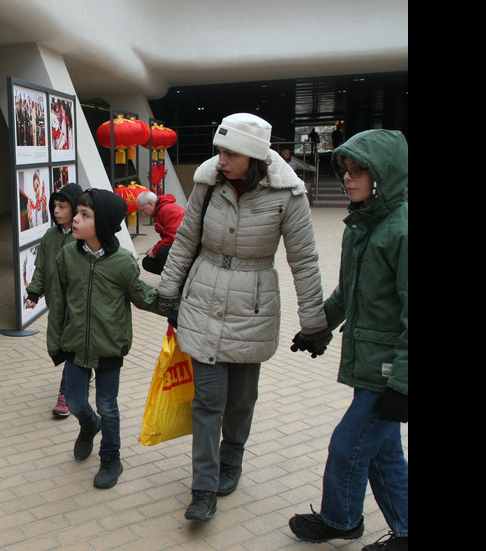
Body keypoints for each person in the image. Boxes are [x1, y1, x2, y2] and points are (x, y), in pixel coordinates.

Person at [155, 113, 329, 522]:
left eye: (229, 153)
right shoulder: (208, 182)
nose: (221, 160)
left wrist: (314, 322)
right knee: (208, 400)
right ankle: (203, 488)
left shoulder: (289, 194)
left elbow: (304, 260)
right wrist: (167, 291)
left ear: (254, 156)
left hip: (253, 304)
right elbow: (186, 240)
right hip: (204, 297)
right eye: (219, 151)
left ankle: (232, 461)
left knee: (241, 400)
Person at [288, 130, 408, 550]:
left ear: (384, 175)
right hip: (368, 360)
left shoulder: (402, 231)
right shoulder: (362, 225)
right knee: (383, 453)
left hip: (388, 369)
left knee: (348, 447)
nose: (349, 179)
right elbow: (347, 293)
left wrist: (403, 386)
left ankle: (342, 519)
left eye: (360, 171)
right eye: (346, 171)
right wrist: (317, 328)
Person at [46, 188, 163, 489]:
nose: (76, 219)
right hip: (74, 344)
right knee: (74, 401)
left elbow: (141, 296)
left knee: (107, 405)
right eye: (78, 213)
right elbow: (58, 300)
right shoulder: (67, 255)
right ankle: (89, 425)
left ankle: (111, 457)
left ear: (105, 223)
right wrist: (56, 342)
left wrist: (175, 306)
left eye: (85, 215)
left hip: (110, 345)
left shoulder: (123, 261)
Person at [25, 182, 82, 417]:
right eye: (54, 206)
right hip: (56, 303)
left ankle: (65, 394)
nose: (56, 211)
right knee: (63, 343)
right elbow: (40, 267)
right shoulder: (50, 235)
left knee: (71, 346)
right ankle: (84, 370)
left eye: (63, 206)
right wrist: (34, 293)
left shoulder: (83, 236)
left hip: (78, 304)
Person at [135, 190, 185, 275]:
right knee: (148, 262)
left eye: (143, 210)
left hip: (185, 246)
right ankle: (170, 279)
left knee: (161, 252)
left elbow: (174, 237)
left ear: (150, 203)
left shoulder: (167, 210)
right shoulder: (161, 211)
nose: (143, 214)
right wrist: (154, 248)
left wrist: (155, 250)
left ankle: (172, 280)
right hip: (180, 244)